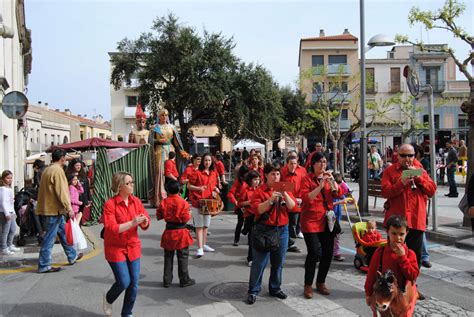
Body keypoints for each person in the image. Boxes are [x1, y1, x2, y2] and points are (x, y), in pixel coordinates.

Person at [246, 163, 297, 305]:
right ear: (266, 176)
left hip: (282, 229)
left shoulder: (284, 188)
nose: (276, 177)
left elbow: (293, 207)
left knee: (278, 262)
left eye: (278, 174)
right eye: (273, 174)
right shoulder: (260, 191)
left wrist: (285, 194)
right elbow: (257, 210)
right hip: (264, 230)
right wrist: (270, 200)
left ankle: (275, 287)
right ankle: (253, 290)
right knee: (260, 263)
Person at [381, 144, 436, 271]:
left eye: (410, 155)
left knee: (414, 258)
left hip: (416, 220)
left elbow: (432, 190)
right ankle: (393, 285)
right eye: (403, 155)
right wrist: (401, 183)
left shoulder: (419, 170)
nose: (407, 158)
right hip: (396, 220)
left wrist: (419, 179)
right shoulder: (390, 171)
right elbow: (385, 192)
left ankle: (411, 286)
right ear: (398, 156)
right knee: (392, 255)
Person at [102, 172, 150, 317]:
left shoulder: (136, 201)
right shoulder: (110, 204)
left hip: (133, 246)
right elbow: (112, 228)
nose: (132, 185)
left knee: (134, 284)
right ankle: (108, 299)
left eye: (132, 182)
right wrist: (132, 222)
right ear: (120, 186)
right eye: (128, 183)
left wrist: (145, 221)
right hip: (115, 248)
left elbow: (144, 218)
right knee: (124, 282)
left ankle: (127, 313)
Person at [300, 152, 344, 299]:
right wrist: (320, 186)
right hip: (311, 221)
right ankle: (307, 284)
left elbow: (339, 194)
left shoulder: (328, 178)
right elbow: (306, 198)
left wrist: (333, 182)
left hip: (327, 221)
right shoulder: (306, 179)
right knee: (314, 253)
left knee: (327, 252)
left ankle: (321, 282)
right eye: (319, 162)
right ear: (313, 164)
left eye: (324, 162)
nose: (323, 165)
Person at [36, 149, 83, 273]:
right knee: (50, 238)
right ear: (62, 158)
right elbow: (62, 192)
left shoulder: (47, 169)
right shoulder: (58, 171)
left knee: (62, 233)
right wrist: (69, 208)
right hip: (53, 210)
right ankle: (44, 264)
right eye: (65, 158)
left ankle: (72, 255)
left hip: (51, 208)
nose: (66, 160)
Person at [364, 215, 419, 317]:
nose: (398, 238)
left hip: (401, 299)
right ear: (387, 232)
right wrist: (368, 293)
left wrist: (402, 257)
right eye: (394, 233)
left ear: (406, 233)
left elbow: (412, 276)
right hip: (382, 296)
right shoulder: (380, 251)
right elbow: (371, 274)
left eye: (401, 234)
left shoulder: (410, 254)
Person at [156, 180, 195, 288]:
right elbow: (185, 218)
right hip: (181, 233)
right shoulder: (183, 202)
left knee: (168, 257)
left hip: (169, 231)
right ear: (179, 190)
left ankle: (167, 280)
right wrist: (189, 214)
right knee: (183, 257)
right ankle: (184, 279)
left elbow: (159, 216)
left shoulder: (164, 202)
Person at [149, 108, 188, 206]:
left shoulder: (172, 127)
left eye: (166, 115)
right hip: (159, 151)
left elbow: (176, 142)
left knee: (171, 173)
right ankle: (160, 197)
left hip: (170, 150)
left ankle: (172, 196)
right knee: (160, 172)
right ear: (159, 116)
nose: (164, 117)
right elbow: (150, 141)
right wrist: (158, 141)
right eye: (162, 115)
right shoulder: (155, 127)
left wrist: (181, 151)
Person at [187, 153, 220, 258]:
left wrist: (215, 189)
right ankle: (200, 248)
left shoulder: (213, 173)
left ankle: (204, 244)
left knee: (206, 226)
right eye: (205, 160)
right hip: (198, 202)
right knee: (199, 226)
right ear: (202, 162)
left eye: (209, 160)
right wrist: (199, 188)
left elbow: (212, 185)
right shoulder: (197, 173)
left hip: (209, 202)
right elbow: (188, 186)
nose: (207, 162)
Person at [280, 154, 306, 251]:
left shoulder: (301, 172)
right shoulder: (282, 172)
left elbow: (304, 184)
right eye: (291, 164)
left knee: (295, 221)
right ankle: (288, 242)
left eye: (295, 163)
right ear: (287, 164)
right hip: (287, 200)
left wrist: (301, 197)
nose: (293, 165)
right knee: (289, 222)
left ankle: (289, 241)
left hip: (298, 200)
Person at [240, 170, 261, 266]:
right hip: (249, 216)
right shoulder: (245, 190)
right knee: (252, 238)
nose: (257, 181)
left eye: (258, 179)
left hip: (258, 216)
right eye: (255, 180)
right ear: (250, 180)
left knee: (257, 238)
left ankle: (257, 257)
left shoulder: (260, 189)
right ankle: (250, 258)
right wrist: (249, 202)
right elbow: (240, 203)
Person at [228, 165, 249, 246]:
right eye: (246, 173)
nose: (247, 174)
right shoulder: (238, 182)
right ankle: (236, 240)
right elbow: (231, 193)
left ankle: (246, 234)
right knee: (240, 222)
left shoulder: (249, 181)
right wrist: (235, 201)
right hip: (241, 205)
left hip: (249, 204)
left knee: (249, 223)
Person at [0, 170, 20, 255]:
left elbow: (11, 202)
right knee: (5, 231)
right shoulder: (2, 189)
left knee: (13, 229)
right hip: (5, 212)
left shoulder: (9, 188)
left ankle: (9, 244)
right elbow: (3, 202)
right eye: (8, 178)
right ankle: (3, 248)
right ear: (3, 178)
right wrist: (7, 214)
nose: (10, 180)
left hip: (11, 211)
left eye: (11, 178)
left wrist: (14, 212)